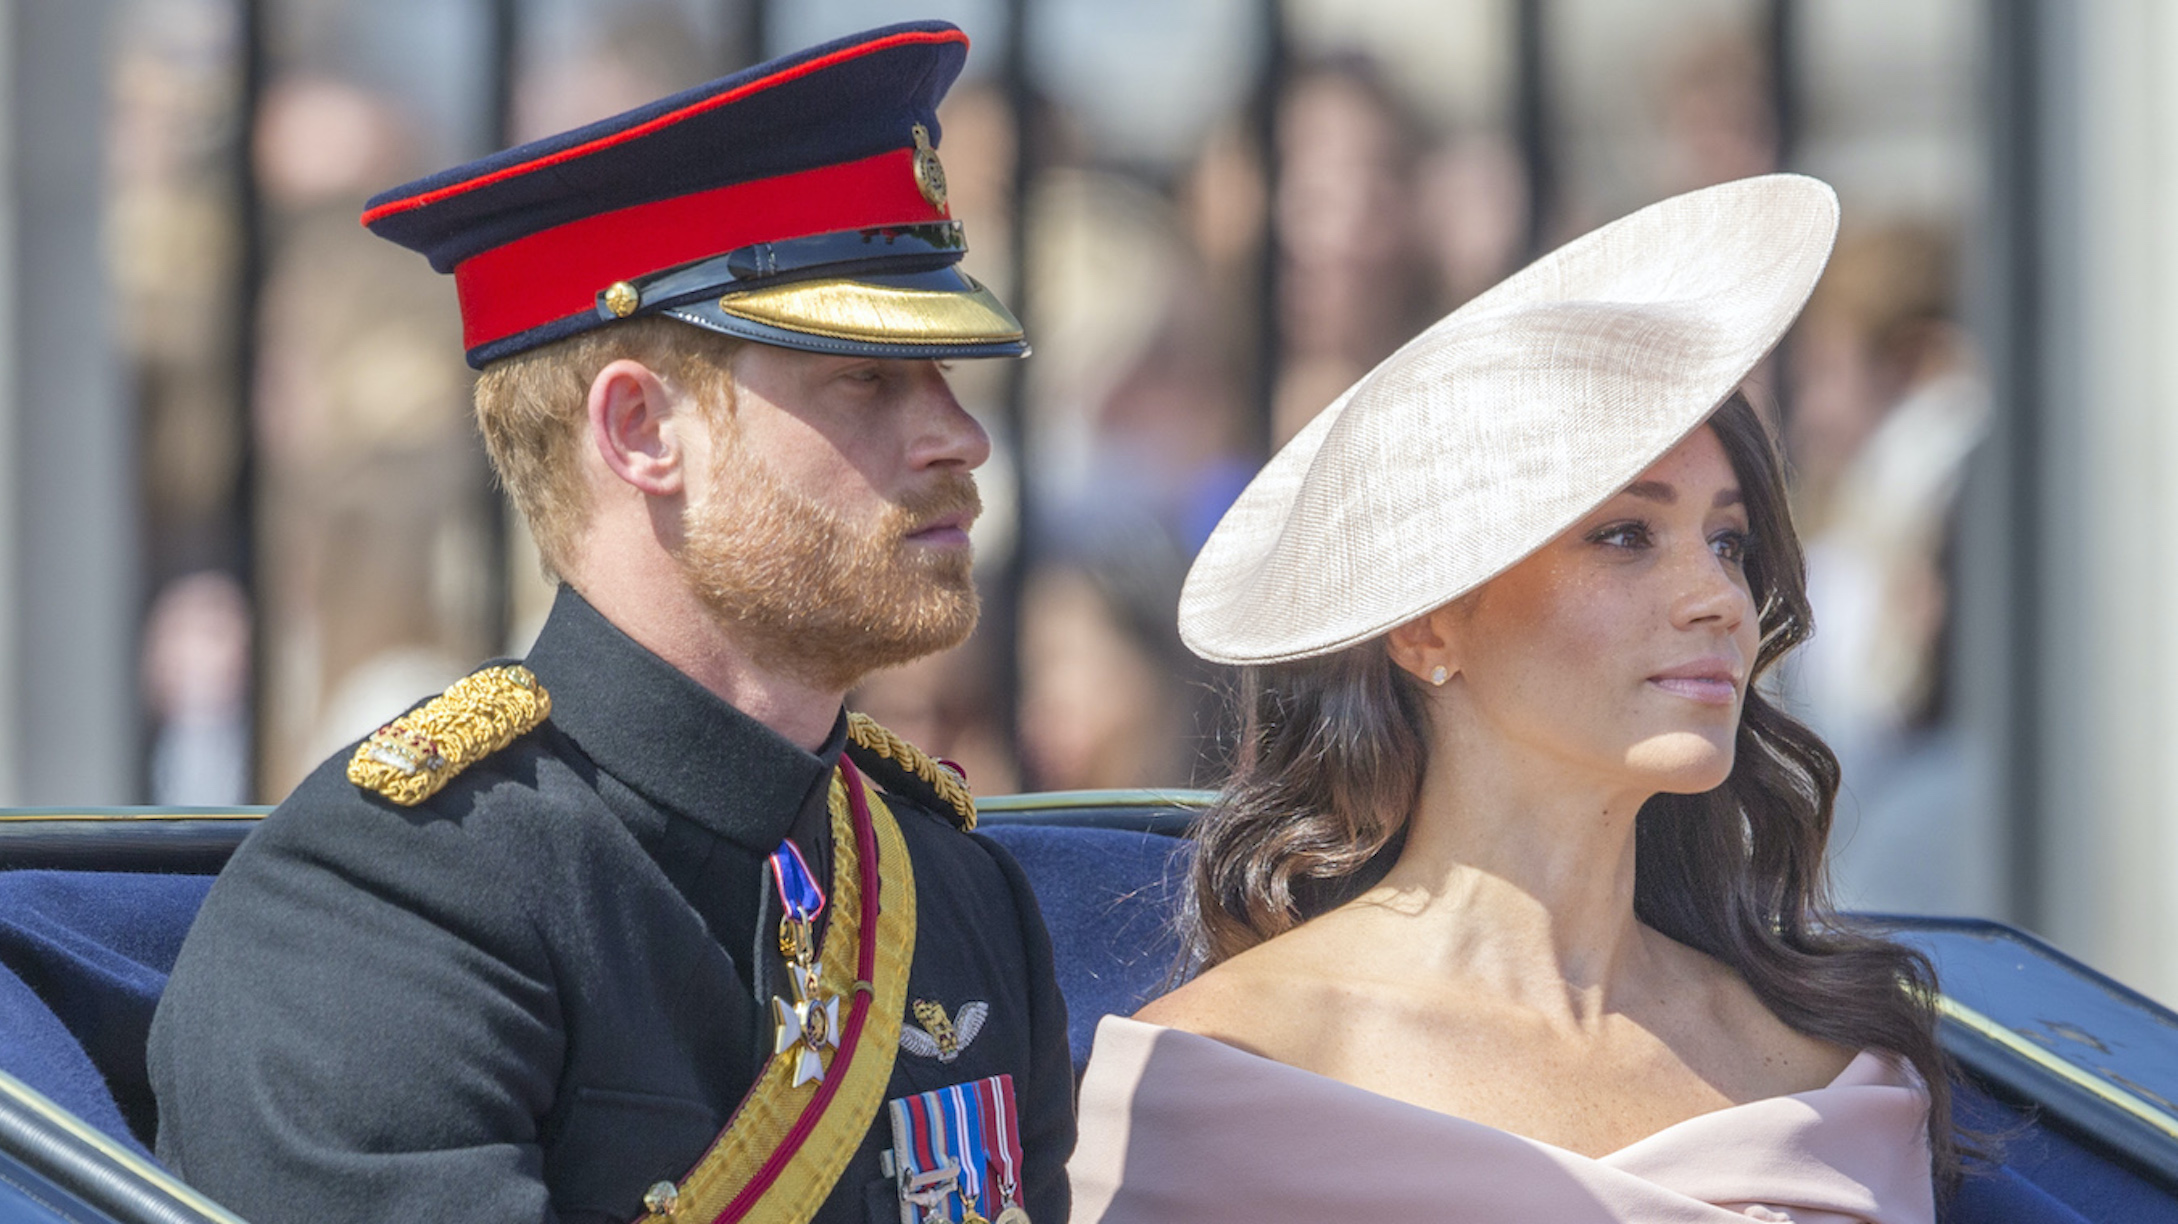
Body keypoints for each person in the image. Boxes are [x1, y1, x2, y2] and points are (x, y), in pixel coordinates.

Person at [150, 23, 1073, 1224]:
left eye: (948, 377)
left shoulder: (951, 885)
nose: (961, 436)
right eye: (866, 377)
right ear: (640, 430)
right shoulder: (388, 906)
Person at [1069, 175, 1947, 1223]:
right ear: (1426, 625)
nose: (1719, 599)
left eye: (1730, 542)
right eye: (1626, 536)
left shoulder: (1838, 1072)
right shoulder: (1222, 1079)